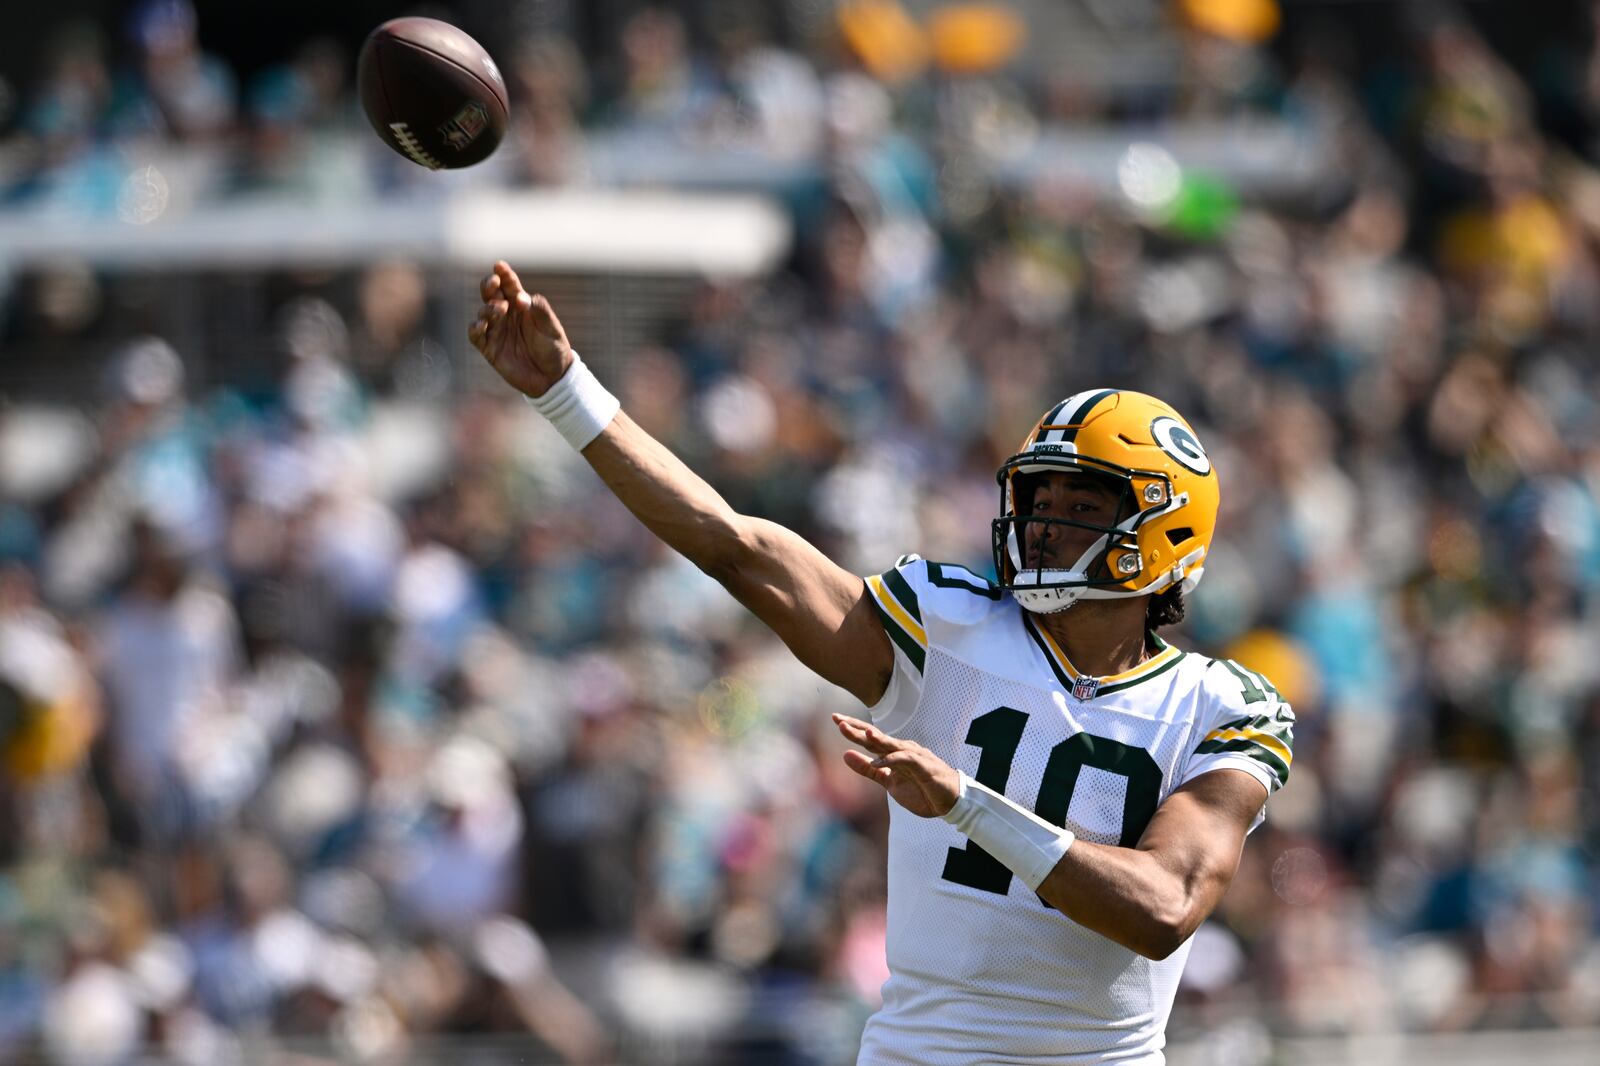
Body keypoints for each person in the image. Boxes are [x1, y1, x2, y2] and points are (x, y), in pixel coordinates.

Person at [468, 262, 1294, 1065]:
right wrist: (567, 395)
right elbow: (736, 547)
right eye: (1038, 501)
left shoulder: (1221, 705)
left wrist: (967, 804)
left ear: (1165, 532)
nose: (1043, 527)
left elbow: (1165, 907)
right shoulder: (951, 623)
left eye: (1080, 507)